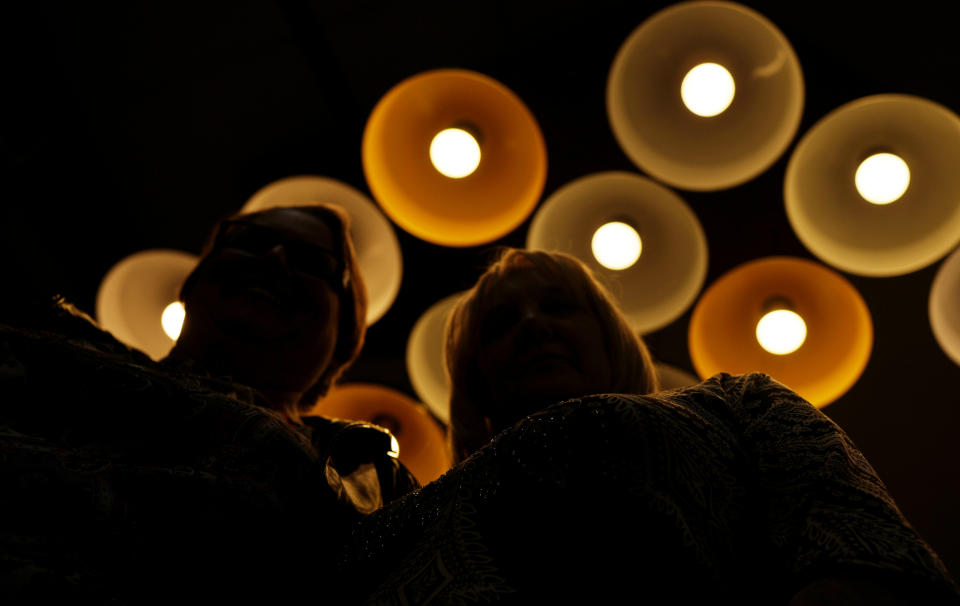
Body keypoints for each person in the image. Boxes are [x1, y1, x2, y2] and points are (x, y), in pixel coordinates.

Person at [336, 248, 960, 605]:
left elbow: (854, 533)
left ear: (609, 337)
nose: (532, 325)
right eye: (500, 325)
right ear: (475, 381)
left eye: (558, 306)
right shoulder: (428, 509)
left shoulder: (744, 404)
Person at [0, 204, 416, 604]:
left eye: (312, 261)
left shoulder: (367, 471)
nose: (274, 259)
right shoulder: (49, 344)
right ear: (192, 284)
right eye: (250, 241)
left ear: (343, 336)